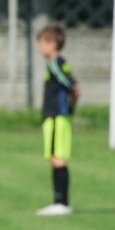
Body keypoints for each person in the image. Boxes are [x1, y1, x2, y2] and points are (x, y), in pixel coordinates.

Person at [36, 24, 78, 216]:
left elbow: (72, 85)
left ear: (52, 44)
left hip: (56, 118)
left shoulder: (55, 64)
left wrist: (70, 106)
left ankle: (60, 202)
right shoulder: (59, 62)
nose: (39, 48)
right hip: (58, 117)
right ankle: (60, 201)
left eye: (42, 43)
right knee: (56, 158)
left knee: (57, 158)